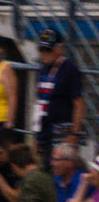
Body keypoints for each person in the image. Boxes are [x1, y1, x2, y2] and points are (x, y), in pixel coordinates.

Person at [39, 31, 83, 160]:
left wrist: (74, 134)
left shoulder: (69, 69)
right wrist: (38, 135)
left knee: (61, 167)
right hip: (46, 130)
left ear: (59, 49)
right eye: (41, 49)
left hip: (62, 130)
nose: (44, 53)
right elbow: (40, 102)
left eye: (48, 49)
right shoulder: (43, 69)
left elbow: (79, 103)